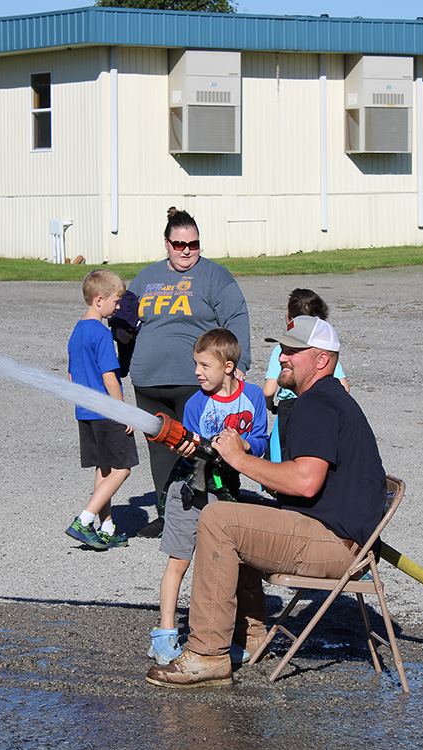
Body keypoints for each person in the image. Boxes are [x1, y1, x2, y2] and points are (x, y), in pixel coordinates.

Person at [145, 316, 386, 688]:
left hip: (335, 544)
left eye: (292, 351)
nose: (282, 357)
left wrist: (240, 459)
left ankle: (207, 655)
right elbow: (300, 480)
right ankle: (253, 636)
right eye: (282, 349)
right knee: (238, 507)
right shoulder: (329, 398)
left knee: (219, 519)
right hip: (340, 536)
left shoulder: (316, 404)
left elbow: (305, 483)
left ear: (321, 360)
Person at [126, 207, 251, 538]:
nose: (186, 251)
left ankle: (207, 516)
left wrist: (240, 364)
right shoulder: (147, 277)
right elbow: (124, 322)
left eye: (193, 244)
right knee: (160, 452)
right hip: (149, 380)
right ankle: (167, 517)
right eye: (178, 244)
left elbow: (236, 318)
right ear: (165, 243)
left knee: (198, 451)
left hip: (194, 383)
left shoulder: (214, 276)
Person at [148, 328, 267, 666]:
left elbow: (260, 438)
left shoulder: (254, 396)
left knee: (228, 563)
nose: (197, 372)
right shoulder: (196, 403)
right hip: (190, 489)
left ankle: (230, 634)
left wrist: (243, 445)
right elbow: (187, 448)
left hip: (226, 488)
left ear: (229, 367)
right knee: (180, 561)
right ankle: (165, 635)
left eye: (204, 365)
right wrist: (185, 449)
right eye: (195, 364)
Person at [65, 270, 138, 550]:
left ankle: (106, 527)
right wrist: (123, 412)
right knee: (123, 469)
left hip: (85, 412)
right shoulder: (101, 334)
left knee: (104, 469)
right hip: (107, 412)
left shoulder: (78, 330)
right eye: (116, 301)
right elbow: (110, 376)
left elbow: (72, 376)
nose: (118, 307)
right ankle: (84, 520)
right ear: (99, 300)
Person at [263, 289, 349, 461]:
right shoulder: (322, 351)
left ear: (290, 317)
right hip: (320, 403)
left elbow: (268, 390)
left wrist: (270, 406)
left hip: (288, 407)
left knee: (285, 454)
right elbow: (344, 388)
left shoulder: (282, 351)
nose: (284, 356)